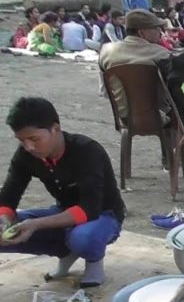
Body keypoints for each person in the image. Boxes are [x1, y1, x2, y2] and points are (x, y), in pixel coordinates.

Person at [0, 97, 126, 288]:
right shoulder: (25, 155)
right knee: (8, 227)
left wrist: (35, 224)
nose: (29, 147)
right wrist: (5, 220)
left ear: (55, 129)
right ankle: (66, 253)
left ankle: (93, 261)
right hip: (63, 211)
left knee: (83, 238)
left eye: (34, 139)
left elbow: (89, 209)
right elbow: (8, 197)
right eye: (22, 140)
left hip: (103, 215)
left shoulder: (87, 150)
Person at [99, 10, 172, 120]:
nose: (160, 31)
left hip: (123, 116)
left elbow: (104, 92)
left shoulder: (106, 51)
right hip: (157, 117)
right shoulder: (162, 54)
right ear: (141, 32)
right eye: (156, 28)